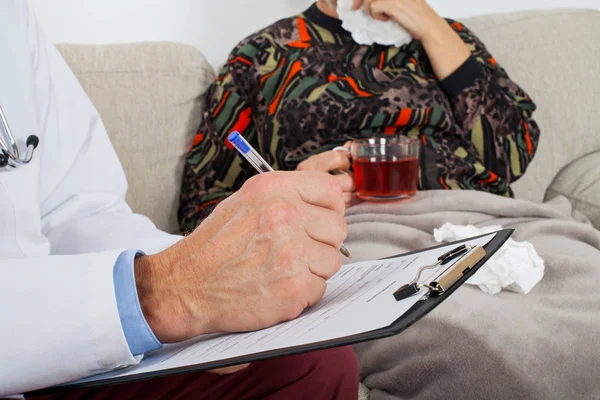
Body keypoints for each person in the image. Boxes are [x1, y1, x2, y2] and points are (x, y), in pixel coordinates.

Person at [0, 1, 359, 399]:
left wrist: (217, 284)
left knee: (312, 364)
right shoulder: (266, 55)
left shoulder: (12, 18)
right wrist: (164, 294)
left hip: (55, 337)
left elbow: (80, 209)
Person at [179, 0, 541, 231]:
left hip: (485, 220)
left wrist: (432, 28)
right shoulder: (261, 56)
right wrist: (289, 194)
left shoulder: (451, 36)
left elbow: (513, 156)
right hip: (357, 233)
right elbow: (200, 212)